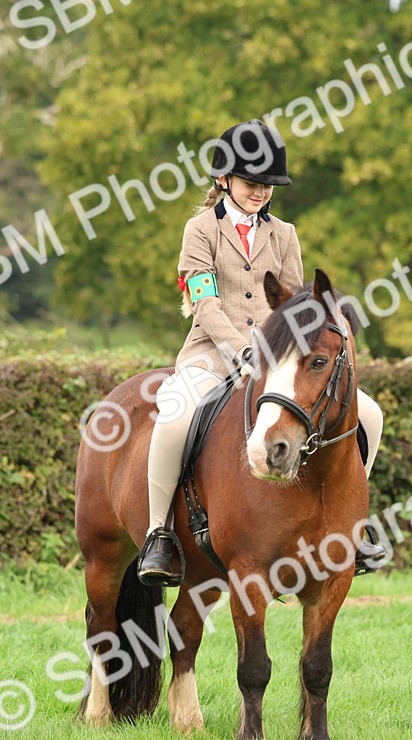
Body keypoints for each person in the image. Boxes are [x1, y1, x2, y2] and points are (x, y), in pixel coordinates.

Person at [136, 119, 387, 586]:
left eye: (268, 185)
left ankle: (354, 524)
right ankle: (160, 534)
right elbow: (203, 301)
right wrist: (242, 349)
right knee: (174, 414)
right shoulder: (200, 230)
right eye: (252, 183)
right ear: (223, 179)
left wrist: (284, 349)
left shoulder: (284, 234)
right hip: (212, 352)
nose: (260, 192)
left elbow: (297, 302)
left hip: (280, 360)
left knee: (369, 414)